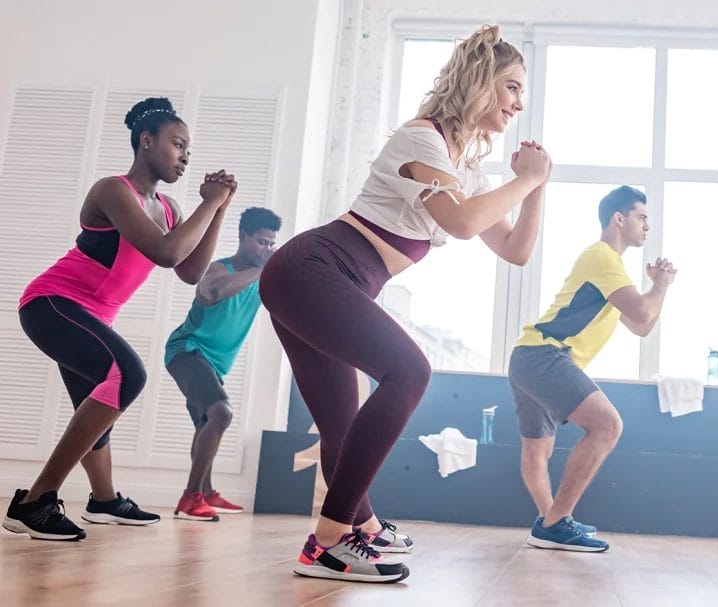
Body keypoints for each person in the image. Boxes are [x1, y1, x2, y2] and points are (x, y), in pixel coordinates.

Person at [259, 24, 552, 583]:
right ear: (481, 82)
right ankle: (327, 542)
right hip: (315, 269)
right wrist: (524, 180)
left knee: (341, 427)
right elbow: (462, 223)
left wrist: (534, 187)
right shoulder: (423, 139)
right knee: (410, 370)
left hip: (323, 281)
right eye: (512, 87)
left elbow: (515, 251)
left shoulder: (463, 166)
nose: (519, 103)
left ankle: (361, 529)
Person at [3, 97, 237, 540]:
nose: (185, 156)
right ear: (146, 142)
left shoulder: (168, 208)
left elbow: (189, 272)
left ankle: (104, 500)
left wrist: (219, 210)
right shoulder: (113, 190)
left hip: (90, 315)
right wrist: (209, 203)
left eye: (189, 149)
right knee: (127, 375)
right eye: (178, 144)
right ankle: (34, 502)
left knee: (94, 406)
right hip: (53, 303)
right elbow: (166, 254)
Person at [512, 186, 676, 552]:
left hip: (530, 355)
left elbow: (641, 326)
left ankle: (551, 523)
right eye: (642, 217)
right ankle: (555, 523)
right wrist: (661, 284)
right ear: (619, 218)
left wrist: (655, 288)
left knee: (538, 450)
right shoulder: (603, 258)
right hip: (544, 355)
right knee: (608, 425)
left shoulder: (608, 268)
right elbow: (644, 313)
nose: (648, 226)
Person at [166, 207, 281, 521]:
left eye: (272, 244)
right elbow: (214, 291)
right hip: (186, 351)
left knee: (206, 424)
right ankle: (191, 498)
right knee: (221, 412)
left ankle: (206, 490)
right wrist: (262, 269)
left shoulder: (261, 280)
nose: (267, 249)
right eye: (261, 242)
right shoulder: (218, 270)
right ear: (242, 236)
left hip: (214, 364)